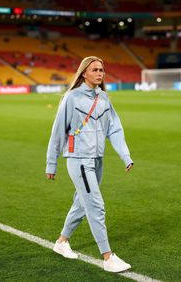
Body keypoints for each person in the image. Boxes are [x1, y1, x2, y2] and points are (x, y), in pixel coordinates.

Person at [46, 56, 134, 273]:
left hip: (97, 160)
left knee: (82, 203)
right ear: (84, 73)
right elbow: (58, 130)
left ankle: (61, 242)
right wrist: (51, 163)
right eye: (95, 69)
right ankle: (108, 257)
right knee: (95, 204)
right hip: (79, 160)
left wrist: (125, 155)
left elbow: (115, 128)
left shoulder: (104, 98)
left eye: (102, 70)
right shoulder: (72, 98)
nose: (99, 73)